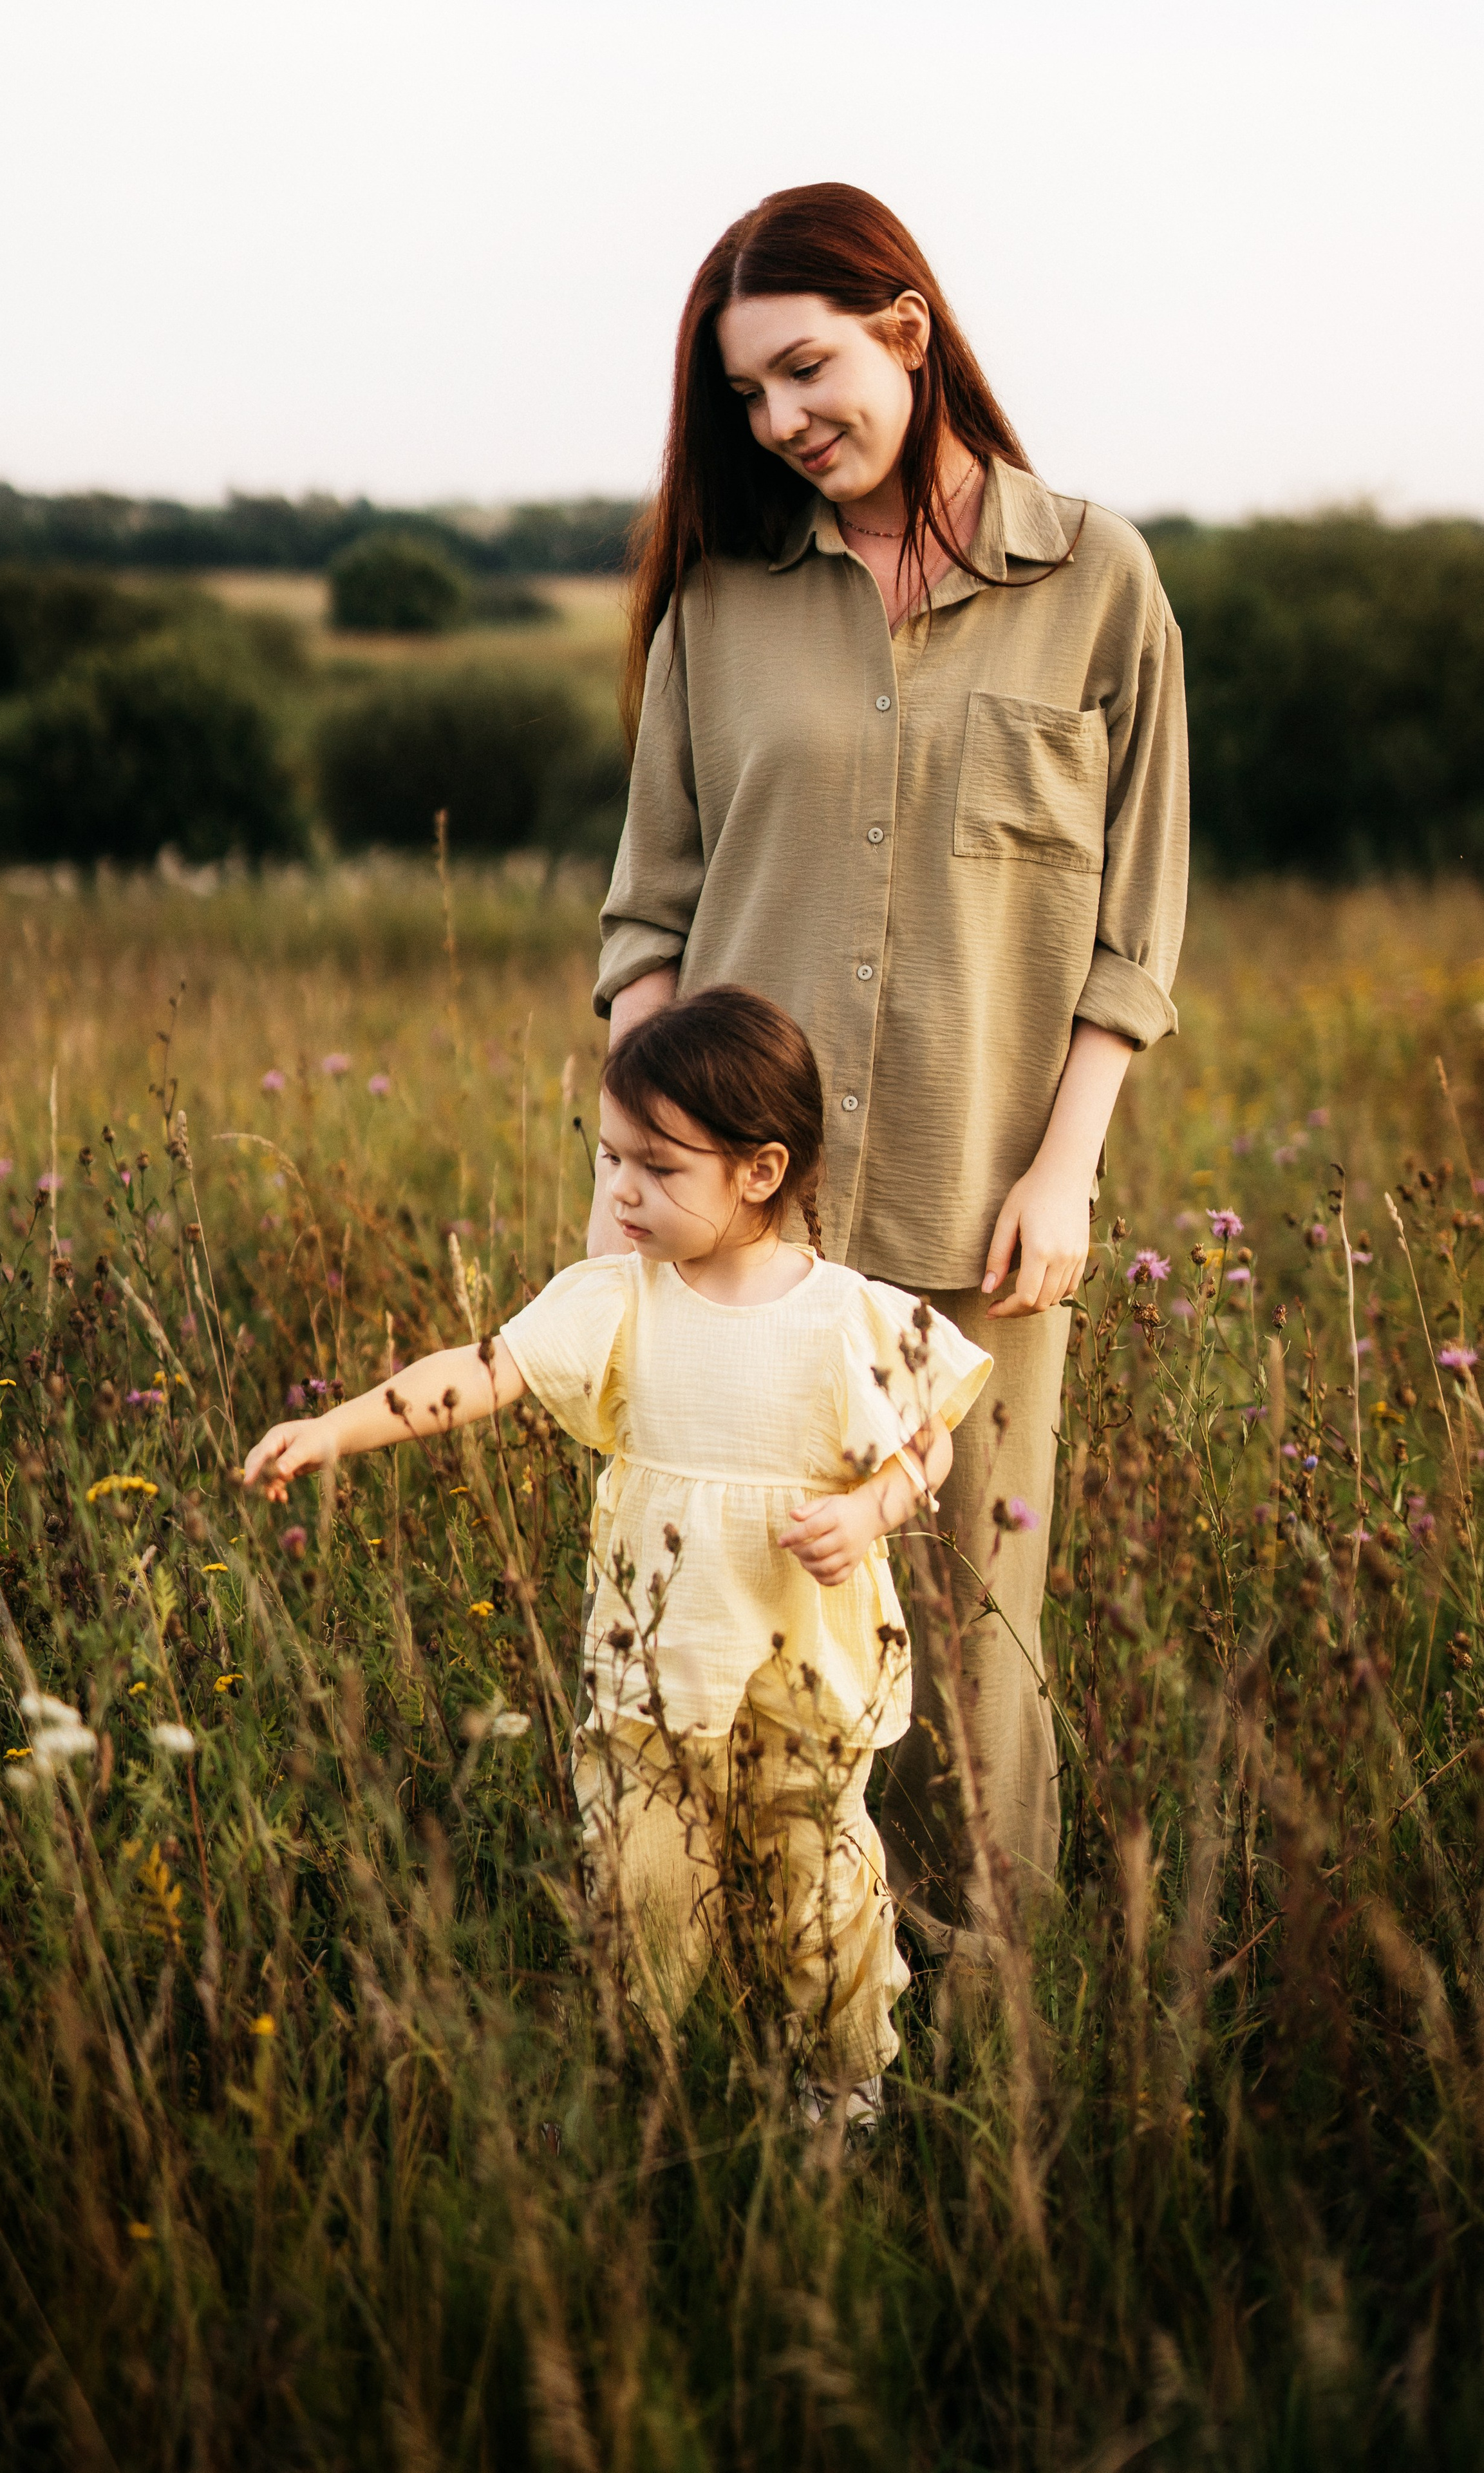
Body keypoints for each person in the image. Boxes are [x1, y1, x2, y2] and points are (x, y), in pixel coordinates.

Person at [588, 182, 1189, 1931]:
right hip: (743, 1241)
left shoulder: (1099, 584)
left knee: (982, 1651)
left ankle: (989, 2035)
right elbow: (650, 924)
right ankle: (767, 2013)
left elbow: (1133, 937)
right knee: (736, 1634)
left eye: (806, 370)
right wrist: (642, 1181)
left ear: (908, 334)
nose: (782, 423)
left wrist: (1067, 1169)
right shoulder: (721, 605)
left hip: (984, 1223)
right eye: (748, 399)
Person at [245, 987, 991, 2119]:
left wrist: (875, 1509)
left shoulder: (851, 1313)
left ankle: (841, 2087)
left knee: (817, 1884)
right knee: (643, 1881)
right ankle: (641, 2078)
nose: (624, 1192)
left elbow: (929, 1443)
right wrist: (335, 1428)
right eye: (610, 1161)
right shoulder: (618, 1302)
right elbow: (481, 1371)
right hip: (658, 1672)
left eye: (659, 1167)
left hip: (809, 1678)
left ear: (761, 1170)